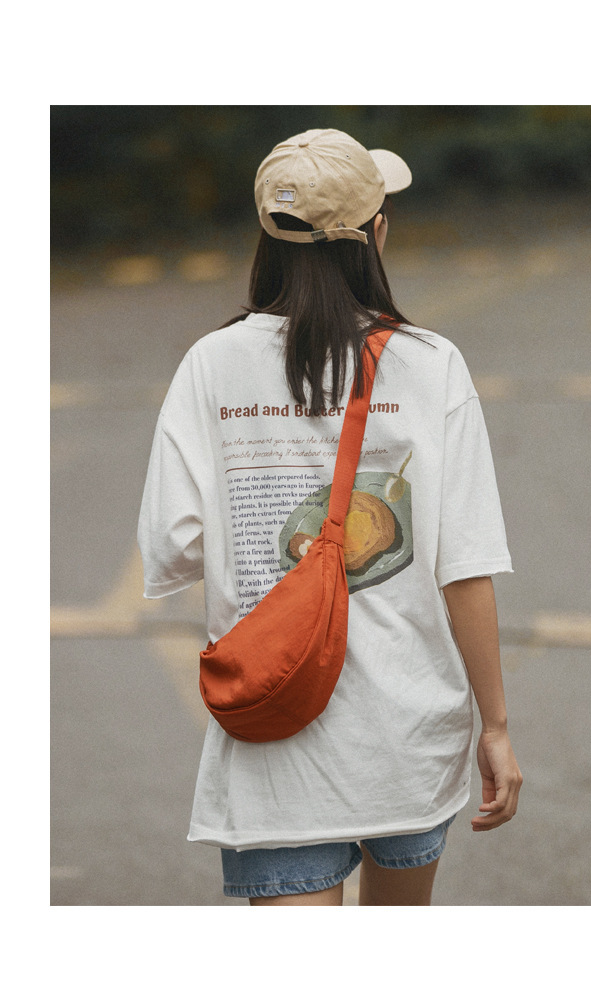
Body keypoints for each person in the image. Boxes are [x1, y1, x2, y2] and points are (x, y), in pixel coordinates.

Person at [138, 127, 522, 906]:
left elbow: (172, 545)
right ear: (374, 235)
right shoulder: (430, 363)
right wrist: (496, 727)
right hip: (407, 734)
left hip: (276, 740)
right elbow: (466, 563)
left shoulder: (211, 364)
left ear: (268, 239)